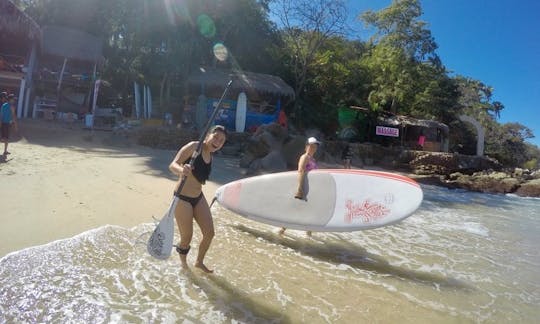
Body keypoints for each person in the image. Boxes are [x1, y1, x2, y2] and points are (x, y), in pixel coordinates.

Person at [168, 125, 227, 273]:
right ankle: (183, 264)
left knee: (209, 233)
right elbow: (172, 165)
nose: (217, 142)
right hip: (182, 198)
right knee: (187, 237)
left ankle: (199, 262)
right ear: (207, 135)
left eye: (221, 141)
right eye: (216, 137)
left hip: (198, 197)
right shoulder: (194, 146)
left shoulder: (211, 156)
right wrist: (182, 170)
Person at [279, 136, 321, 237]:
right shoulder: (305, 157)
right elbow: (301, 171)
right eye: (311, 146)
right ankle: (281, 230)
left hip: (309, 190)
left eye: (315, 146)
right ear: (306, 146)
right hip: (303, 189)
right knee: (296, 210)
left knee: (309, 213)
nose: (313, 148)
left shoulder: (313, 159)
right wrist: (299, 189)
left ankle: (308, 236)